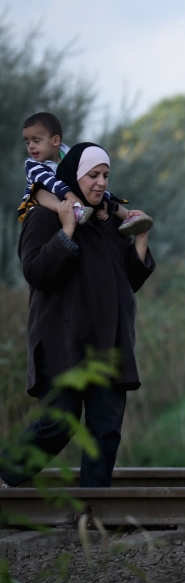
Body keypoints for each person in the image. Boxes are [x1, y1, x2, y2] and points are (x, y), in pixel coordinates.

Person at [0, 143, 155, 488]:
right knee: (59, 423)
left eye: (105, 176)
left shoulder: (107, 221)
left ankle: (93, 511)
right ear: (71, 177)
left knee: (105, 429)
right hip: (62, 344)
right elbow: (37, 273)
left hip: (110, 345)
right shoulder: (42, 217)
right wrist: (67, 229)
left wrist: (139, 240)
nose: (101, 183)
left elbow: (127, 281)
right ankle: (6, 474)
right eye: (93, 175)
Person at [19, 112, 153, 235]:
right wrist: (72, 197)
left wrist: (104, 201)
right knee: (39, 190)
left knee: (96, 186)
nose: (31, 146)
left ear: (55, 140)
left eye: (36, 141)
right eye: (27, 142)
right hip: (45, 200)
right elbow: (51, 182)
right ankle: (72, 211)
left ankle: (128, 216)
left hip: (70, 196)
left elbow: (86, 178)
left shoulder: (68, 154)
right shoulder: (32, 164)